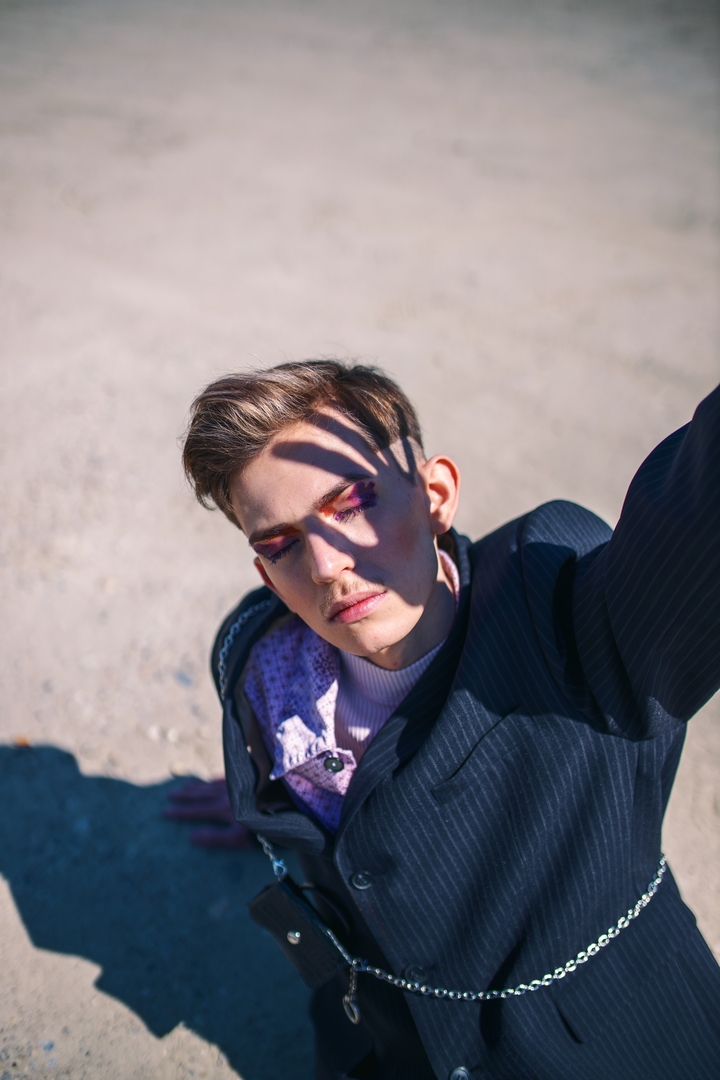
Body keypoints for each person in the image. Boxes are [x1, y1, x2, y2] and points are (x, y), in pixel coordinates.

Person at [181, 360, 720, 1080]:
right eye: (280, 544)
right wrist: (283, 800)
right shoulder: (269, 679)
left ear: (435, 496)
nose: (325, 565)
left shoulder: (571, 629)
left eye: (352, 504)